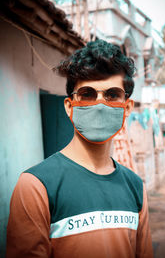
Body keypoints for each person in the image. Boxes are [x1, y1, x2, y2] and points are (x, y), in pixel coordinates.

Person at [6, 39, 153, 258]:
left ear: (127, 107)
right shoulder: (36, 186)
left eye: (112, 95)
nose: (100, 104)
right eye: (87, 94)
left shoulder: (135, 186)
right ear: (69, 106)